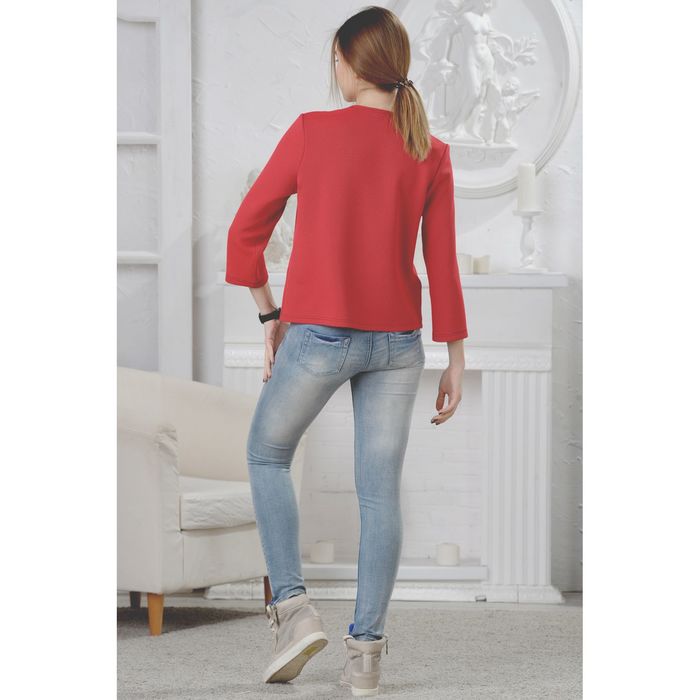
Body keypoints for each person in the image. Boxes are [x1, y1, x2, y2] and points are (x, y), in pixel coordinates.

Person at [225, 5, 468, 694]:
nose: (332, 69)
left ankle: (293, 609)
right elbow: (442, 263)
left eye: (335, 58)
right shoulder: (431, 150)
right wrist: (455, 357)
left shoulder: (312, 131)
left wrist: (270, 314)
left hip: (319, 335)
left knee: (266, 453)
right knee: (379, 492)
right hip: (398, 344)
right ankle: (365, 656)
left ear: (352, 65)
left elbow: (245, 232)